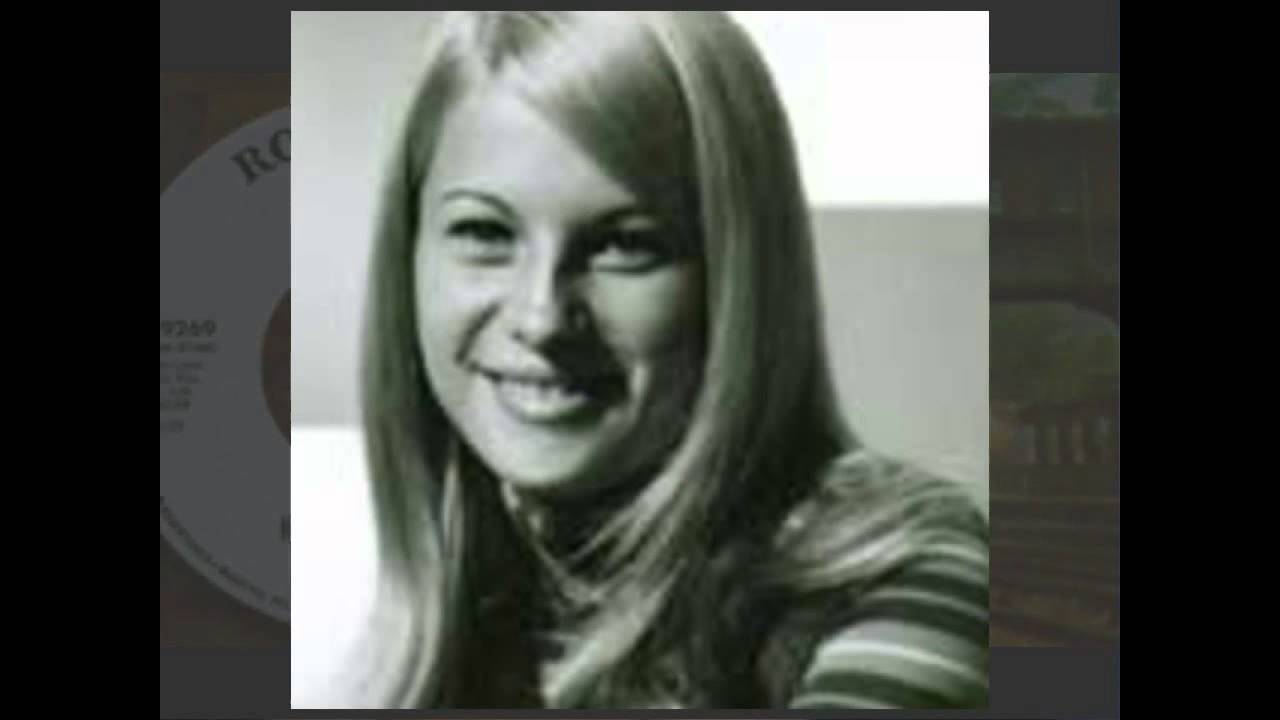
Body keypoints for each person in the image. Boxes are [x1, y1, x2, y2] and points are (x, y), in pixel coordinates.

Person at [347, 10, 988, 709]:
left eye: (625, 244)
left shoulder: (900, 570)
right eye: (484, 232)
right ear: (409, 254)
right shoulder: (460, 592)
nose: (542, 316)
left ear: (737, 274)